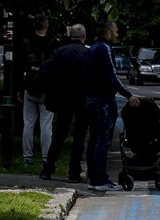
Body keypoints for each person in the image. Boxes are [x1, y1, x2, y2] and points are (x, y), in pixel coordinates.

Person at [83, 20, 140, 191]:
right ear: (108, 33)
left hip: (90, 99)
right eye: (115, 31)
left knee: (93, 139)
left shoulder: (92, 49)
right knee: (103, 141)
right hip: (103, 102)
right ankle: (101, 179)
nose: (117, 34)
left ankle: (93, 178)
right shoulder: (105, 49)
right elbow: (112, 77)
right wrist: (128, 95)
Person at [39, 24, 90, 182]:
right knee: (79, 137)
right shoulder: (88, 54)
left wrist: (52, 88)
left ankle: (48, 169)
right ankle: (74, 172)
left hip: (63, 99)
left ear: (70, 36)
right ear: (84, 37)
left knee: (59, 135)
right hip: (82, 99)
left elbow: (44, 71)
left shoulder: (59, 52)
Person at [19, 13, 56, 167]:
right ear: (46, 25)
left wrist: (20, 88)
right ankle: (46, 158)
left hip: (30, 87)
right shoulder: (53, 42)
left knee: (28, 123)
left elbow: (20, 66)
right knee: (46, 125)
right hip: (47, 89)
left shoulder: (26, 42)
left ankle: (27, 157)